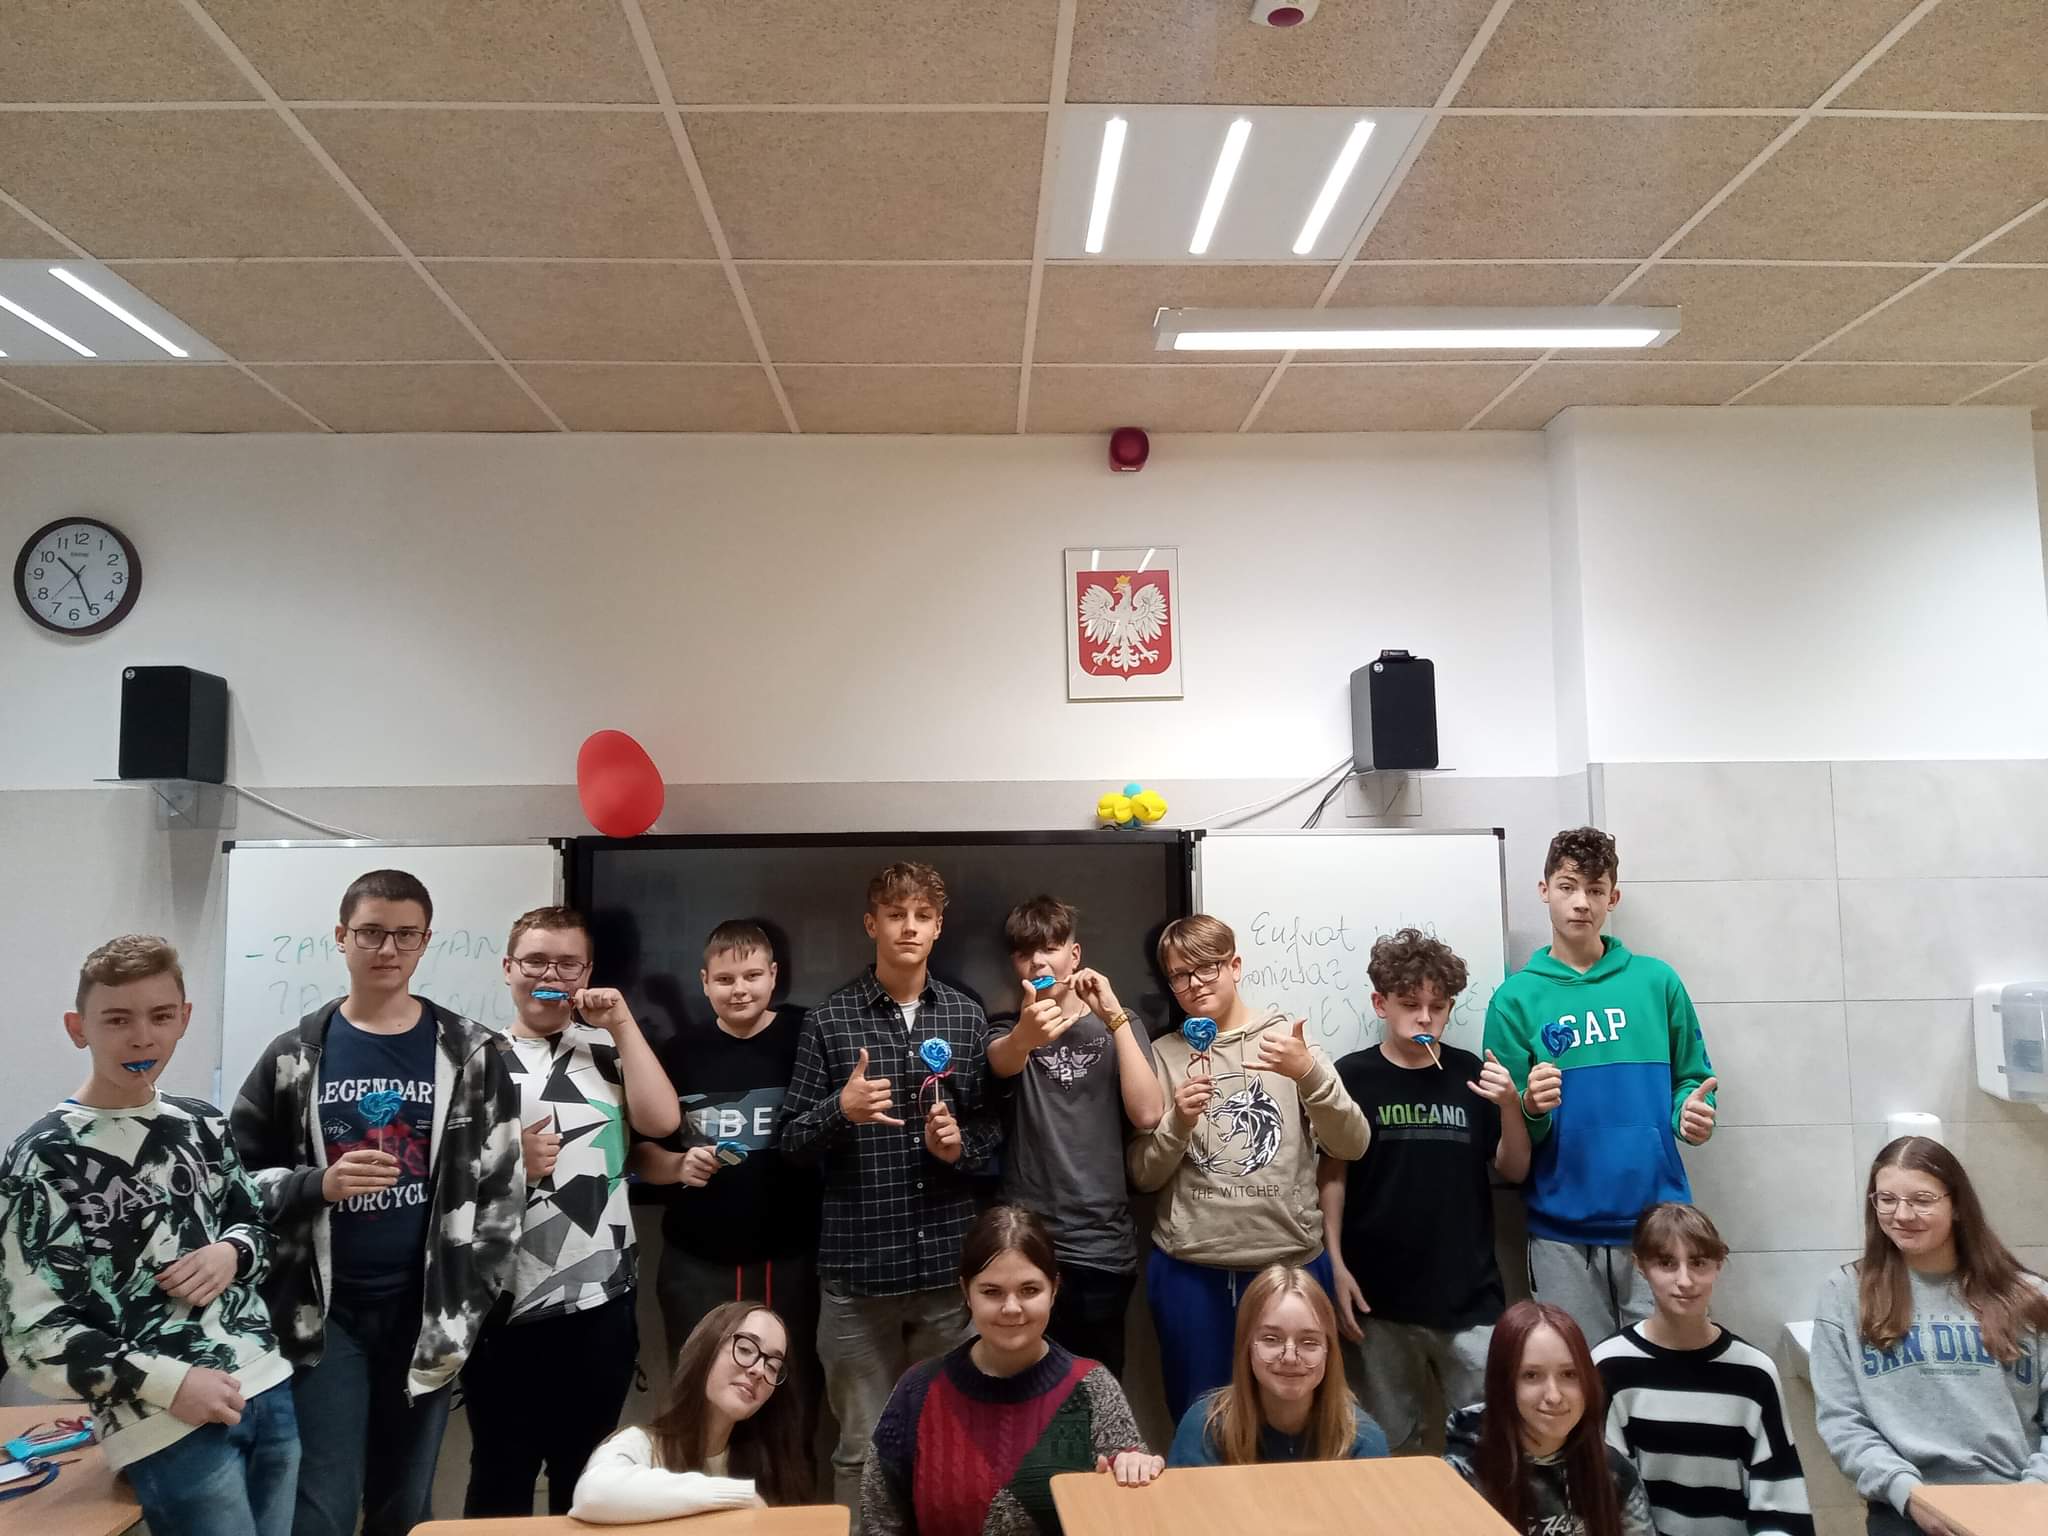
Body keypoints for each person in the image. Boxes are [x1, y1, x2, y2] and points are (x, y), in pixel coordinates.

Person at [231, 868, 524, 1536]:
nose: (387, 949)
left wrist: (469, 1299)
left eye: (404, 935)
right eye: (370, 933)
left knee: (405, 1502)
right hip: (321, 1317)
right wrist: (316, 1185)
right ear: (341, 937)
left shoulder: (474, 1054)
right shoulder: (294, 1057)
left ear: (425, 942)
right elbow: (234, 1181)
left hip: (427, 1312)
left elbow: (503, 1192)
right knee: (321, 1505)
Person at [0, 936, 296, 1536]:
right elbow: (32, 1332)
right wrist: (169, 1383)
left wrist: (232, 1251)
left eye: (161, 1016)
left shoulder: (203, 1124)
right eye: (117, 1019)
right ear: (78, 1028)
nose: (142, 1038)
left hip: (267, 1384)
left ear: (183, 1019)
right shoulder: (42, 1157)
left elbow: (258, 1230)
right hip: (166, 1419)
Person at [777, 861, 1002, 1515]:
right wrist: (839, 1110)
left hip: (947, 1276)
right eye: (896, 914)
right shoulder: (829, 1020)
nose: (909, 927)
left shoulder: (964, 1015)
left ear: (938, 928)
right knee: (860, 1449)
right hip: (859, 1276)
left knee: (951, 1437)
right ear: (871, 923)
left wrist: (960, 1146)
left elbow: (991, 1125)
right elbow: (791, 1142)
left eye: (922, 916)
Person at [461, 906, 681, 1517]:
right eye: (535, 961)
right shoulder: (471, 1058)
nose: (549, 975)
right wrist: (510, 1160)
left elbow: (663, 1121)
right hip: (501, 1303)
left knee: (585, 1476)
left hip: (598, 1301)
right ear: (508, 968)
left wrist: (622, 1024)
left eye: (567, 964)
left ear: (587, 973)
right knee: (500, 1473)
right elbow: (439, 1179)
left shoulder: (609, 1050)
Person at [1128, 912, 1369, 1423]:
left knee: (1297, 1419)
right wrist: (1178, 1122)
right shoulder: (1163, 1055)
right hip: (1191, 1269)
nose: (1195, 984)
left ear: (1234, 966)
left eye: (1207, 968)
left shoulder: (1287, 1042)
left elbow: (1352, 1143)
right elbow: (1143, 1176)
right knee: (1199, 1420)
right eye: (1179, 975)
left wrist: (1307, 1074)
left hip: (1289, 1265)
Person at [1484, 827, 1719, 1342]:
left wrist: (1691, 1112)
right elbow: (1513, 1138)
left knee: (1664, 1372)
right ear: (1544, 890)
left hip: (1658, 1224)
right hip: (1560, 1232)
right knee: (1575, 1375)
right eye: (1568, 887)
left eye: (1595, 889)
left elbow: (1693, 1079)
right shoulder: (1514, 1000)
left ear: (1613, 897)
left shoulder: (1657, 982)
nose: (1581, 903)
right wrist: (1530, 1107)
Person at [1320, 928, 1528, 1452]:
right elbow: (1333, 1176)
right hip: (1378, 1302)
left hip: (1470, 1299)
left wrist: (1510, 1105)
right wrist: (1334, 1263)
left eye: (1437, 1007)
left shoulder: (1474, 1074)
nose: (1424, 1018)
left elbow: (1514, 1169)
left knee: (1489, 1444)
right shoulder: (1352, 1076)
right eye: (1410, 1005)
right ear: (1381, 1004)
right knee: (1387, 1448)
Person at [863, 1206, 1163, 1536]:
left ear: (1054, 1290)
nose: (1011, 1308)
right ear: (966, 1292)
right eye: (991, 1292)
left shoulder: (1092, 1386)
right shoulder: (917, 1390)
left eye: (1029, 1290)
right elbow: (879, 1522)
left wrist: (1136, 1471)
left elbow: (1135, 1516)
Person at [1811, 1137, 2048, 1536]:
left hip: (2020, 1502)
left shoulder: (2029, 1297)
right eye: (1886, 1200)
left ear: (1957, 1206)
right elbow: (1843, 1421)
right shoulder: (1847, 1292)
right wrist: (1909, 1494)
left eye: (1922, 1200)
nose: (1902, 1215)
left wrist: (2032, 1494)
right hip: (1905, 1507)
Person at [635, 921, 820, 1401]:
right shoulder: (678, 1053)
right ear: (704, 982)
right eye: (724, 979)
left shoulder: (808, 1037)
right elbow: (640, 1153)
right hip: (696, 1260)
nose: (739, 989)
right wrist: (677, 1167)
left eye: (752, 976)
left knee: (789, 1397)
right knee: (698, 1396)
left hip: (791, 1258)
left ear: (773, 975)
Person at [986, 895, 1163, 1377]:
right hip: (1024, 1242)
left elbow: (1149, 1114)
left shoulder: (1118, 1024)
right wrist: (1025, 1035)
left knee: (1095, 1392)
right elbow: (1001, 1061)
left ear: (1074, 954)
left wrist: (1114, 1016)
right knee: (1022, 1390)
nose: (1038, 962)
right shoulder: (1005, 1026)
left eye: (1050, 948)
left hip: (1101, 1245)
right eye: (1025, 953)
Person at [1594, 1203, 1813, 1536]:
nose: (1685, 1280)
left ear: (1718, 1265)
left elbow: (1782, 1499)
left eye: (1698, 1263)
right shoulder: (1609, 1366)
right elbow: (1603, 1494)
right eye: (1667, 1263)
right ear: (1640, 1266)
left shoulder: (1754, 1373)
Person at [570, 1301, 809, 1522]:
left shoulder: (773, 1465)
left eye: (772, 1365)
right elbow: (593, 1494)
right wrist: (738, 1496)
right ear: (706, 1349)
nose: (758, 1369)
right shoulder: (641, 1445)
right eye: (745, 1349)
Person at [1446, 1300, 1655, 1536]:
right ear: (1503, 1384)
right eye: (1531, 1375)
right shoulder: (1461, 1476)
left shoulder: (1612, 1472)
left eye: (1569, 1374)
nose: (1554, 1396)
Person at [1167, 1263, 1389, 1466]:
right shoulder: (1204, 1428)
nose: (1290, 1358)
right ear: (1246, 1346)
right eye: (1271, 1339)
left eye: (1309, 1342)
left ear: (1329, 1352)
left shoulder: (1363, 1439)